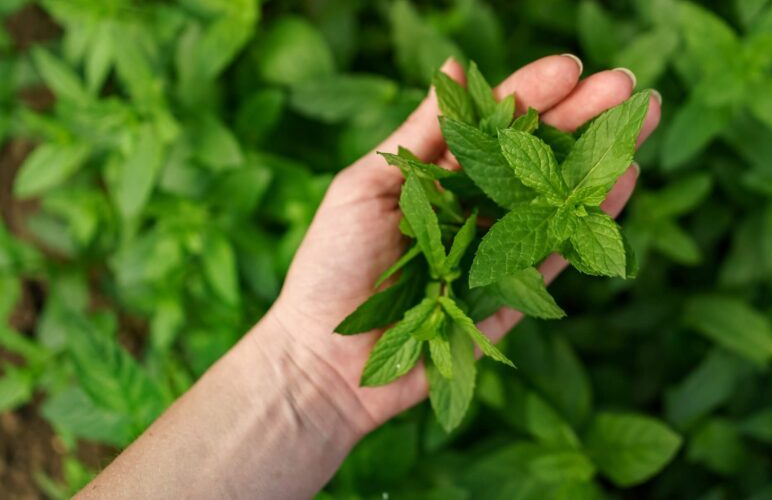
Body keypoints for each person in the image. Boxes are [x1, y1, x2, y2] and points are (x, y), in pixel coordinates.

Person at [77, 55, 662, 499]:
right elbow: (491, 249)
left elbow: (499, 244)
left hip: (531, 204)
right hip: (493, 228)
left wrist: (301, 370)